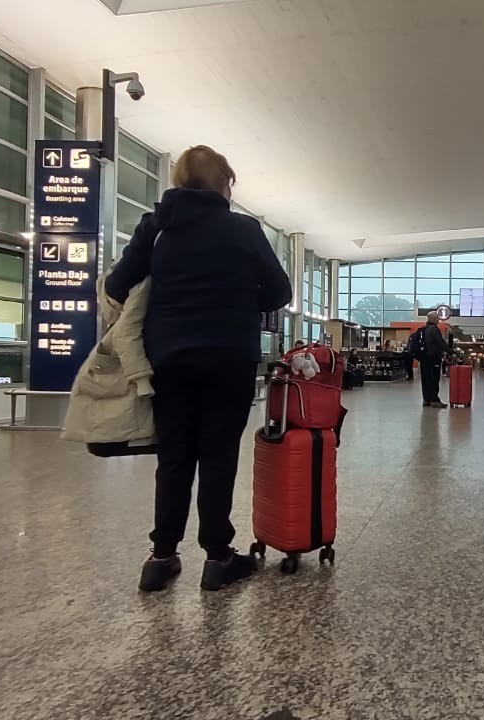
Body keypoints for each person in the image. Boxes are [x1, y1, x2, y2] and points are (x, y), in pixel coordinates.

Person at [106, 145, 292, 593]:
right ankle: (218, 557)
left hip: (169, 359)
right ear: (223, 182)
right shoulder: (242, 228)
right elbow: (280, 291)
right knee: (217, 457)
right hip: (229, 356)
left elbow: (116, 283)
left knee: (173, 458)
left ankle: (161, 558)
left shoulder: (156, 228)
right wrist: (241, 299)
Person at [420, 312, 448, 408]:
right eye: (436, 317)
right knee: (434, 379)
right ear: (431, 319)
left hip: (424, 358)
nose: (438, 319)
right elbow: (440, 342)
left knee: (426, 379)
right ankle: (434, 400)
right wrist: (451, 351)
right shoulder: (434, 329)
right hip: (433, 358)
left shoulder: (425, 329)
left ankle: (426, 400)